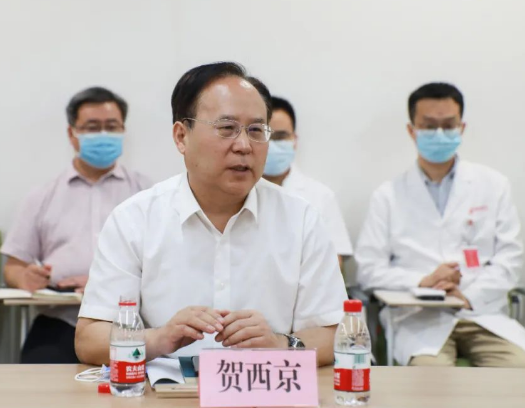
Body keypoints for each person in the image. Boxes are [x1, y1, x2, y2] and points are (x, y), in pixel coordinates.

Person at [75, 62, 347, 367]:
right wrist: (158, 339)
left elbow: (335, 333)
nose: (244, 146)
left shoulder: (301, 219)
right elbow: (89, 339)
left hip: (266, 386)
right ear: (181, 137)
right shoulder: (134, 219)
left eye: (256, 130)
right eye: (227, 129)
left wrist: (280, 345)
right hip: (165, 390)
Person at [355, 82, 525, 367]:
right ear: (412, 130)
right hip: (418, 319)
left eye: (448, 125)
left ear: (462, 128)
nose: (439, 134)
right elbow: (369, 270)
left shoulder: (494, 186)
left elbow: (510, 259)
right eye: (429, 126)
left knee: (518, 371)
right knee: (430, 378)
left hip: (482, 314)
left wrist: (468, 297)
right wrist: (422, 282)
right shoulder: (387, 196)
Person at [1, 87, 151, 363]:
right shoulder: (42, 196)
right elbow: (13, 266)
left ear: (123, 131)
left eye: (111, 127)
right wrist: (26, 278)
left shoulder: (147, 194)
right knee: (35, 379)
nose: (103, 134)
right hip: (59, 323)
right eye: (93, 127)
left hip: (129, 323)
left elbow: (167, 263)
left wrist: (100, 283)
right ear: (72, 134)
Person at [262, 96, 352, 266]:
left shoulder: (321, 196)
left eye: (281, 137)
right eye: (265, 136)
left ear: (294, 140)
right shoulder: (234, 193)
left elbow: (334, 262)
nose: (272, 145)